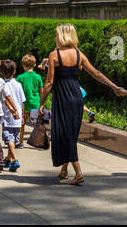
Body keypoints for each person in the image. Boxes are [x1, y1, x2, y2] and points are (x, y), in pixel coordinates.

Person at [43, 23, 122, 185]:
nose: (55, 37)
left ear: (63, 36)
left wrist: (41, 102)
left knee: (65, 135)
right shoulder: (79, 54)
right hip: (77, 98)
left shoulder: (54, 55)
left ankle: (78, 172)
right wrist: (114, 86)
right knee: (70, 133)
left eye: (56, 34)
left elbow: (49, 83)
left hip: (63, 98)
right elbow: (96, 73)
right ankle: (64, 170)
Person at [0, 58, 26, 172]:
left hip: (7, 116)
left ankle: (15, 160)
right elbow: (22, 101)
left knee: (9, 139)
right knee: (13, 140)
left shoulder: (2, 85)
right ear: (14, 71)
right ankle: (8, 159)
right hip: (18, 116)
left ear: (1, 72)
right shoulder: (18, 85)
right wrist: (23, 116)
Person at [17, 54, 43, 126]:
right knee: (36, 126)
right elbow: (41, 91)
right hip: (36, 105)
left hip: (24, 106)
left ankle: (21, 137)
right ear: (35, 65)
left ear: (22, 64)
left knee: (21, 125)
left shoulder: (20, 77)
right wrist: (42, 104)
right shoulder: (38, 77)